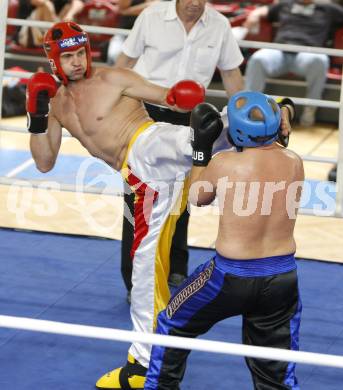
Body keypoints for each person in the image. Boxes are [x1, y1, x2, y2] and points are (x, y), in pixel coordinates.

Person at [26, 22, 293, 390]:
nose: (76, 62)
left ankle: (269, 115)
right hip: (144, 183)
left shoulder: (113, 79)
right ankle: (143, 361)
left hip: (150, 143)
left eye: (80, 54)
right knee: (144, 272)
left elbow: (167, 96)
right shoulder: (54, 104)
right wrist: (36, 116)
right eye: (68, 57)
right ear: (53, 61)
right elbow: (44, 162)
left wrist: (180, 98)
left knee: (178, 137)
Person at [144, 91, 303, 390]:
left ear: (237, 131)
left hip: (229, 276)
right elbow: (280, 134)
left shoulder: (224, 163)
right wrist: (286, 113)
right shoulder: (294, 162)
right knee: (275, 368)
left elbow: (197, 197)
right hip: (282, 277)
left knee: (171, 323)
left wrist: (201, 150)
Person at [115, 0, 245, 298]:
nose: (194, 3)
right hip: (146, 113)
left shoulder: (219, 25)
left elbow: (231, 76)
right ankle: (134, 275)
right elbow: (123, 65)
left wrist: (243, 117)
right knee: (138, 196)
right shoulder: (151, 17)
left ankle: (175, 265)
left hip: (190, 117)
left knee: (182, 194)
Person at [243, 0, 343, 127]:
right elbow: (264, 10)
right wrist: (254, 15)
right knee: (257, 59)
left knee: (320, 60)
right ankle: (249, 110)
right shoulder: (285, 4)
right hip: (280, 51)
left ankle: (309, 111)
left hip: (307, 54)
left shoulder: (329, 8)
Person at [17, 0, 85, 47]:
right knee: (46, 5)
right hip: (27, 35)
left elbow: (79, 2)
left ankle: (57, 37)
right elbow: (39, 1)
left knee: (69, 7)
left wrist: (70, 15)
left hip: (50, 31)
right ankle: (57, 37)